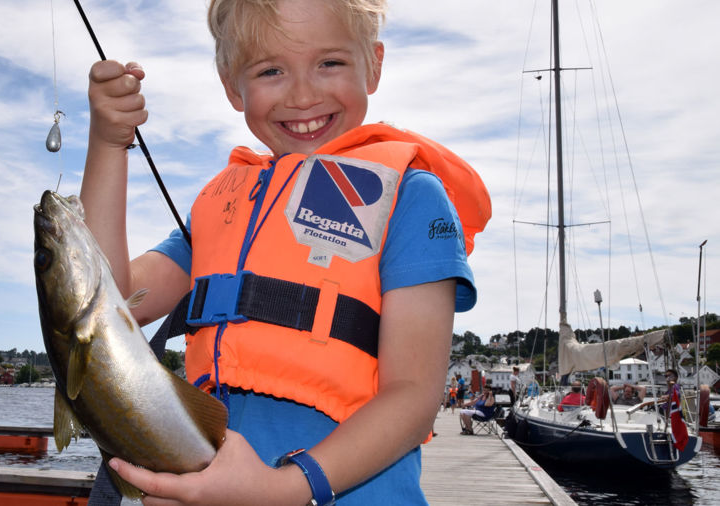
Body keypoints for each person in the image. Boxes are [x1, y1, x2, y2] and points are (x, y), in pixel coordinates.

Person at [81, 0, 490, 504]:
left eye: (330, 63)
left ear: (374, 65)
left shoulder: (410, 195)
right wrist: (107, 143)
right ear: (234, 86)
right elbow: (108, 301)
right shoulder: (221, 208)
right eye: (271, 70)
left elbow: (413, 399)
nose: (302, 94)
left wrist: (281, 489)